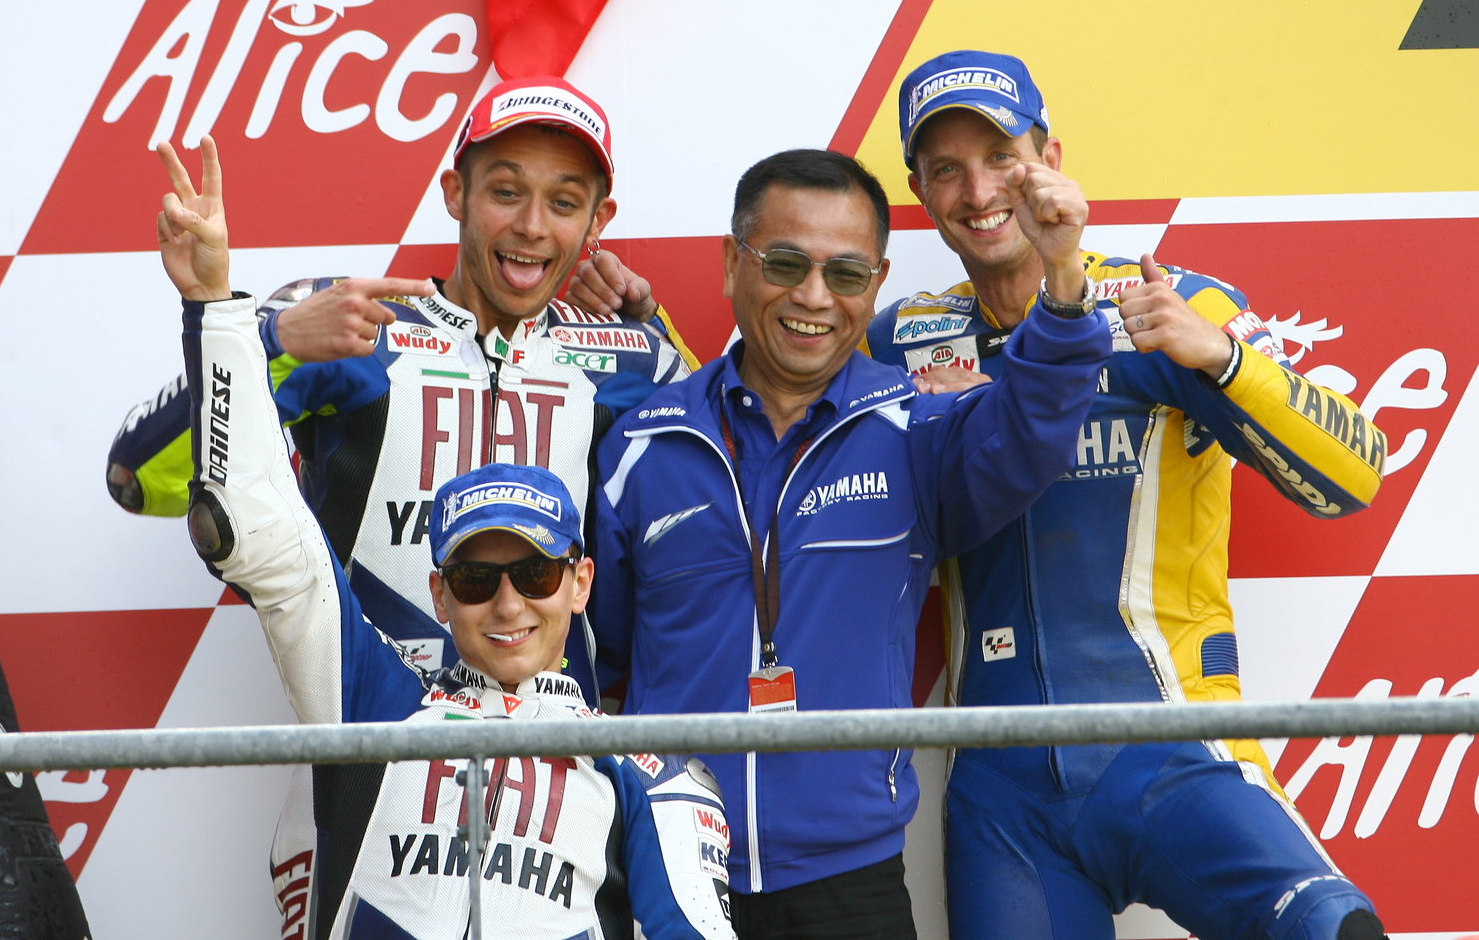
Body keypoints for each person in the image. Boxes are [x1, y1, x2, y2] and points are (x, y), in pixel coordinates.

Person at [132, 76, 692, 931]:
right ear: (455, 194)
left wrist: (653, 323)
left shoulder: (622, 358)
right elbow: (143, 478)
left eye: (564, 203)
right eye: (505, 191)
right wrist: (273, 341)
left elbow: (724, 449)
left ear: (597, 223)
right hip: (367, 751)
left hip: (549, 774)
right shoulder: (353, 322)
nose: (533, 226)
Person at [862, 49, 1389, 939]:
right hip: (1003, 790)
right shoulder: (900, 343)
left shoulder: (1166, 299)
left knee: (1331, 929)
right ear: (920, 191)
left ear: (1052, 159)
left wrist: (1221, 360)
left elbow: (1354, 475)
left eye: (1002, 156)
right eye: (946, 169)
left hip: (1173, 744)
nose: (979, 189)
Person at [587, 147, 1111, 938]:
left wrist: (1063, 280)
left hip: (850, 881)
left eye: (846, 274)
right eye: (786, 262)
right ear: (732, 262)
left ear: (876, 282)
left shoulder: (916, 429)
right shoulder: (643, 444)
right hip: (667, 871)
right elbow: (602, 649)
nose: (812, 297)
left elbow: (1032, 429)